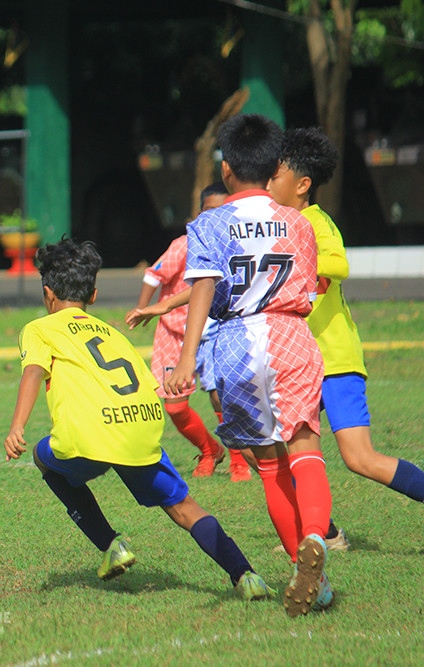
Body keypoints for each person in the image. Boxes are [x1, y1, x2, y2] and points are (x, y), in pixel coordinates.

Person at [3, 237, 272, 602]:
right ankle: (246, 575)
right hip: (140, 430)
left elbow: (33, 371)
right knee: (185, 508)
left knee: (42, 457)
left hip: (89, 436)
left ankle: (111, 545)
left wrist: (17, 426)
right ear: (93, 295)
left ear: (48, 294)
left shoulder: (39, 329)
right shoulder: (112, 333)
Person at [164, 114, 333, 617]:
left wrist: (187, 358)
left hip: (236, 344)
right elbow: (308, 294)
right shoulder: (299, 223)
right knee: (305, 450)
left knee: (269, 465)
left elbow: (203, 286)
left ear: (226, 168)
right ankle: (316, 541)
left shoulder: (208, 223)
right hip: (289, 333)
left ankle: (308, 575)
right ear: (276, 165)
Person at [268, 127, 424, 520]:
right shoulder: (274, 227)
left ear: (302, 185)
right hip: (296, 364)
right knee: (267, 453)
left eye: (275, 175)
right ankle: (324, 534)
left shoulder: (315, 222)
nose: (267, 182)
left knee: (359, 458)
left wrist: (296, 263)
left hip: (334, 361)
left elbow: (339, 264)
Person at [125, 182, 253, 481]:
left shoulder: (238, 245)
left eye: (224, 210)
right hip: (174, 333)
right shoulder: (185, 244)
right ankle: (210, 450)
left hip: (215, 330)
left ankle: (239, 460)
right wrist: (144, 308)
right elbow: (154, 275)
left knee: (221, 396)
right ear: (198, 214)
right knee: (175, 407)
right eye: (210, 210)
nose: (216, 217)